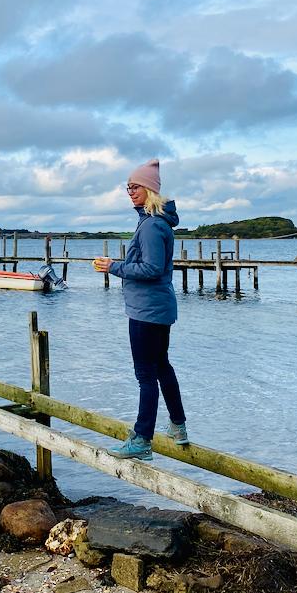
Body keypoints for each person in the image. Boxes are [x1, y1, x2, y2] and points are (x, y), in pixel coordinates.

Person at [92, 159, 188, 460]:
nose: (130, 192)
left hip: (147, 311)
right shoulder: (155, 222)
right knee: (161, 367)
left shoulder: (151, 226)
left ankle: (142, 439)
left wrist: (114, 267)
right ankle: (178, 427)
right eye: (128, 187)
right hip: (156, 308)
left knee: (146, 374)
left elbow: (151, 268)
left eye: (135, 187)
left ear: (150, 189)